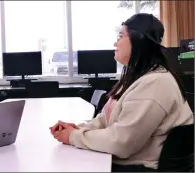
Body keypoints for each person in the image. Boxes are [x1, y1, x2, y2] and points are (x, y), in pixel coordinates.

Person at [50, 13, 194, 172]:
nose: (115, 42)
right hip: (124, 161)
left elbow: (122, 142)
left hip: (140, 168)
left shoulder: (155, 83)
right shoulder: (137, 77)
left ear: (138, 40)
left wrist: (73, 137)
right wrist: (77, 129)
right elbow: (105, 120)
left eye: (120, 36)